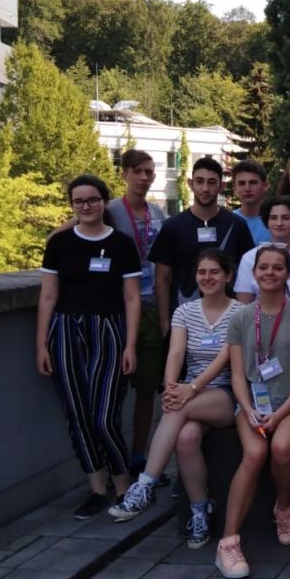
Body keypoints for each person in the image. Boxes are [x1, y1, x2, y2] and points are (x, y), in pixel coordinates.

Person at [109, 249, 241, 549]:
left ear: (228, 276)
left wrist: (189, 389)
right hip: (187, 393)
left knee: (178, 410)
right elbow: (176, 353)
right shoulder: (184, 312)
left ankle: (145, 484)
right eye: (202, 272)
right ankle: (200, 511)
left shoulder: (241, 313)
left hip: (224, 393)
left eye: (214, 272)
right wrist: (171, 388)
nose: (207, 278)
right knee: (186, 438)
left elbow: (224, 358)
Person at [214, 246, 290, 579]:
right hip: (252, 403)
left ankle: (284, 503)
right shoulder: (241, 317)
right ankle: (228, 542)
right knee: (254, 453)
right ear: (254, 273)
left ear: (289, 274)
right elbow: (237, 375)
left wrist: (280, 414)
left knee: (282, 448)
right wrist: (247, 408)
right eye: (264, 267)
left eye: (278, 268)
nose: (270, 273)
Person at [36, 175, 142, 519]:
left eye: (92, 200)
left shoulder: (122, 244)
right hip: (66, 330)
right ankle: (96, 488)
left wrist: (130, 345)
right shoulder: (60, 244)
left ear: (104, 202)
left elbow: (132, 298)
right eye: (78, 201)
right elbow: (48, 296)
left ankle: (123, 486)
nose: (86, 206)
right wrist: (41, 345)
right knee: (77, 415)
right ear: (71, 205)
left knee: (104, 417)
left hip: (109, 331)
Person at [103, 150, 168, 474]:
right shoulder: (111, 211)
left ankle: (138, 456)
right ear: (125, 174)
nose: (144, 177)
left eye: (149, 172)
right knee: (112, 392)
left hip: (152, 311)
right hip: (118, 311)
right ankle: (110, 458)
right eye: (138, 171)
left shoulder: (158, 213)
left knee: (147, 391)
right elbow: (71, 232)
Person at [149, 157, 255, 338]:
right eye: (199, 181)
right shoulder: (172, 226)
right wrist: (165, 325)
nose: (205, 188)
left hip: (228, 321)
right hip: (183, 321)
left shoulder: (237, 225)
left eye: (212, 182)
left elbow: (248, 276)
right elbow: (162, 279)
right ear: (190, 184)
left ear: (221, 186)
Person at [234, 196, 290, 306]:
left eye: (286, 218)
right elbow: (243, 305)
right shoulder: (249, 258)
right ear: (267, 222)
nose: (279, 223)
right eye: (273, 218)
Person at [232, 159, 272, 244]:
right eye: (242, 183)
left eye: (253, 183)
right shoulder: (229, 221)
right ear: (235, 188)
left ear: (265, 186)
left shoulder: (278, 222)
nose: (247, 188)